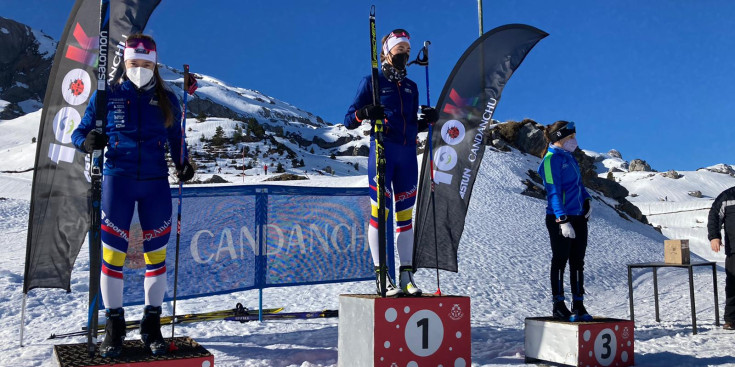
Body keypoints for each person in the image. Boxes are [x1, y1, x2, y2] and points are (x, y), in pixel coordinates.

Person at [72, 34, 195, 357]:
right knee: (113, 258)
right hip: (119, 182)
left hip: (155, 185)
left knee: (156, 259)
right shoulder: (107, 96)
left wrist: (184, 165)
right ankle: (114, 329)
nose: (139, 69)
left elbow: (176, 141)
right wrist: (89, 142)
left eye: (145, 64)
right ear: (124, 64)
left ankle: (150, 326)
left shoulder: (167, 98)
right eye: (133, 63)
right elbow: (79, 133)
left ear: (154, 66)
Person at [345, 29, 438, 296]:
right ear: (387, 53)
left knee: (405, 218)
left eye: (407, 53)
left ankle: (406, 275)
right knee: (380, 214)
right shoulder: (371, 81)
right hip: (383, 152)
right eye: (400, 52)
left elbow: (411, 125)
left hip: (408, 156)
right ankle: (381, 276)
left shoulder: (411, 87)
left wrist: (429, 121)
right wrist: (364, 113)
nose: (405, 57)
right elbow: (348, 119)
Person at [538, 121, 593, 321]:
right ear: (559, 138)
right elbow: (553, 192)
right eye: (570, 137)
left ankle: (578, 304)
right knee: (560, 260)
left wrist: (587, 200)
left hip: (578, 216)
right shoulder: (550, 160)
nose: (574, 141)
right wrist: (562, 220)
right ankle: (558, 304)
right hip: (559, 218)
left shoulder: (569, 158)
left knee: (578, 262)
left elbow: (578, 185)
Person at [707, 186, 735, 330]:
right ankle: (731, 320)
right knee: (733, 285)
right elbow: (714, 216)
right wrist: (714, 237)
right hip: (734, 251)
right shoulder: (727, 196)